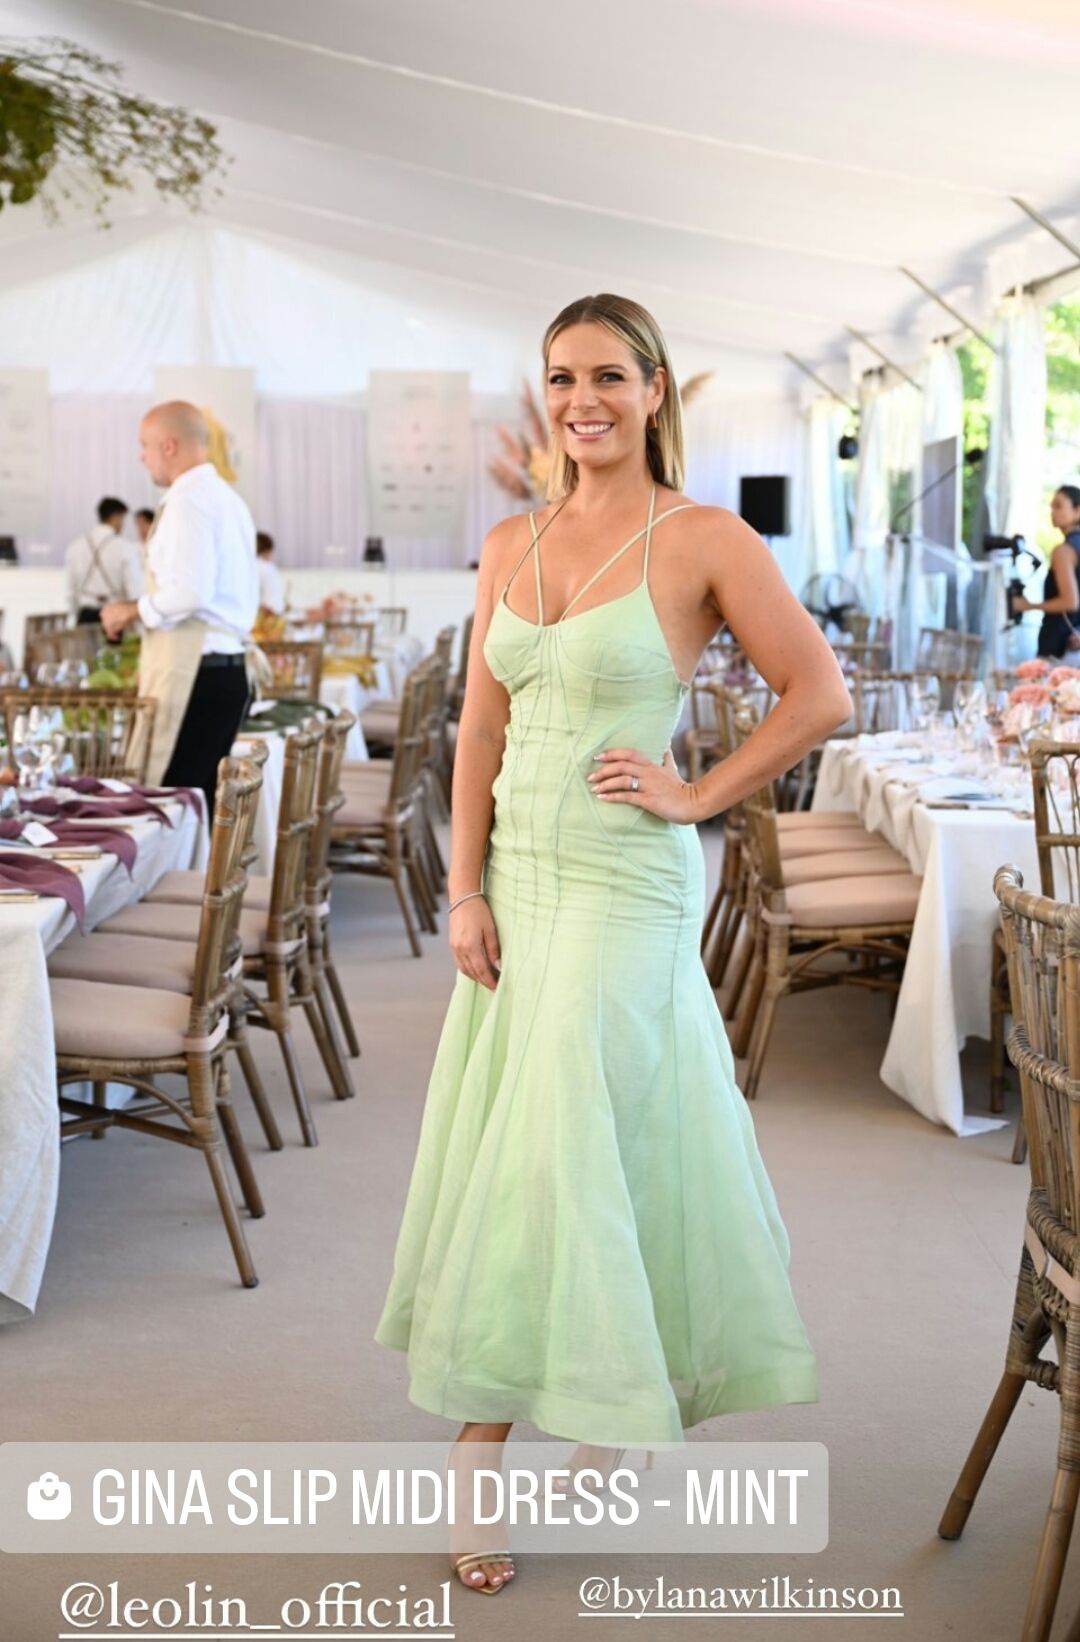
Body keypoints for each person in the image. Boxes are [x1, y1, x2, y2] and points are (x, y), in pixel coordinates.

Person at [373, 293, 853, 1595]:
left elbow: (820, 692)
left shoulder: (704, 538)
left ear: (652, 391)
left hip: (625, 882)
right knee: (559, 1135)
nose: (580, 400)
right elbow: (479, 727)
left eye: (605, 377)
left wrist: (700, 795)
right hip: (516, 884)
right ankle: (608, 1385)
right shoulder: (510, 540)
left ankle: (479, 1445)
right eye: (561, 378)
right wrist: (461, 889)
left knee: (557, 1145)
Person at [100, 402, 259, 816]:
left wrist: (130, 611)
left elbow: (190, 593)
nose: (142, 456)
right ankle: (198, 863)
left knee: (171, 807)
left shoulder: (190, 501)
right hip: (223, 670)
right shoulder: (226, 498)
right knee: (195, 803)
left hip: (197, 674)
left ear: (169, 446)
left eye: (145, 445)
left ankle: (182, 864)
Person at [1012, 485, 1080, 657]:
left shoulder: (1063, 551)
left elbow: (1070, 602)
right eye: (1051, 506)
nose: (1052, 512)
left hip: (1060, 646)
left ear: (1077, 511)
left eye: (1058, 506)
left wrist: (1027, 606)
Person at [65, 497, 143, 624]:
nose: (123, 524)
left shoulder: (75, 546)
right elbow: (134, 591)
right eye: (123, 519)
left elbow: (71, 591)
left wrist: (72, 617)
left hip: (85, 617)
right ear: (116, 517)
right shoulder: (126, 548)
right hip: (116, 618)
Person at [255, 531, 285, 616]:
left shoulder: (250, 566)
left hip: (265, 614)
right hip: (271, 615)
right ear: (269, 550)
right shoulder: (268, 567)